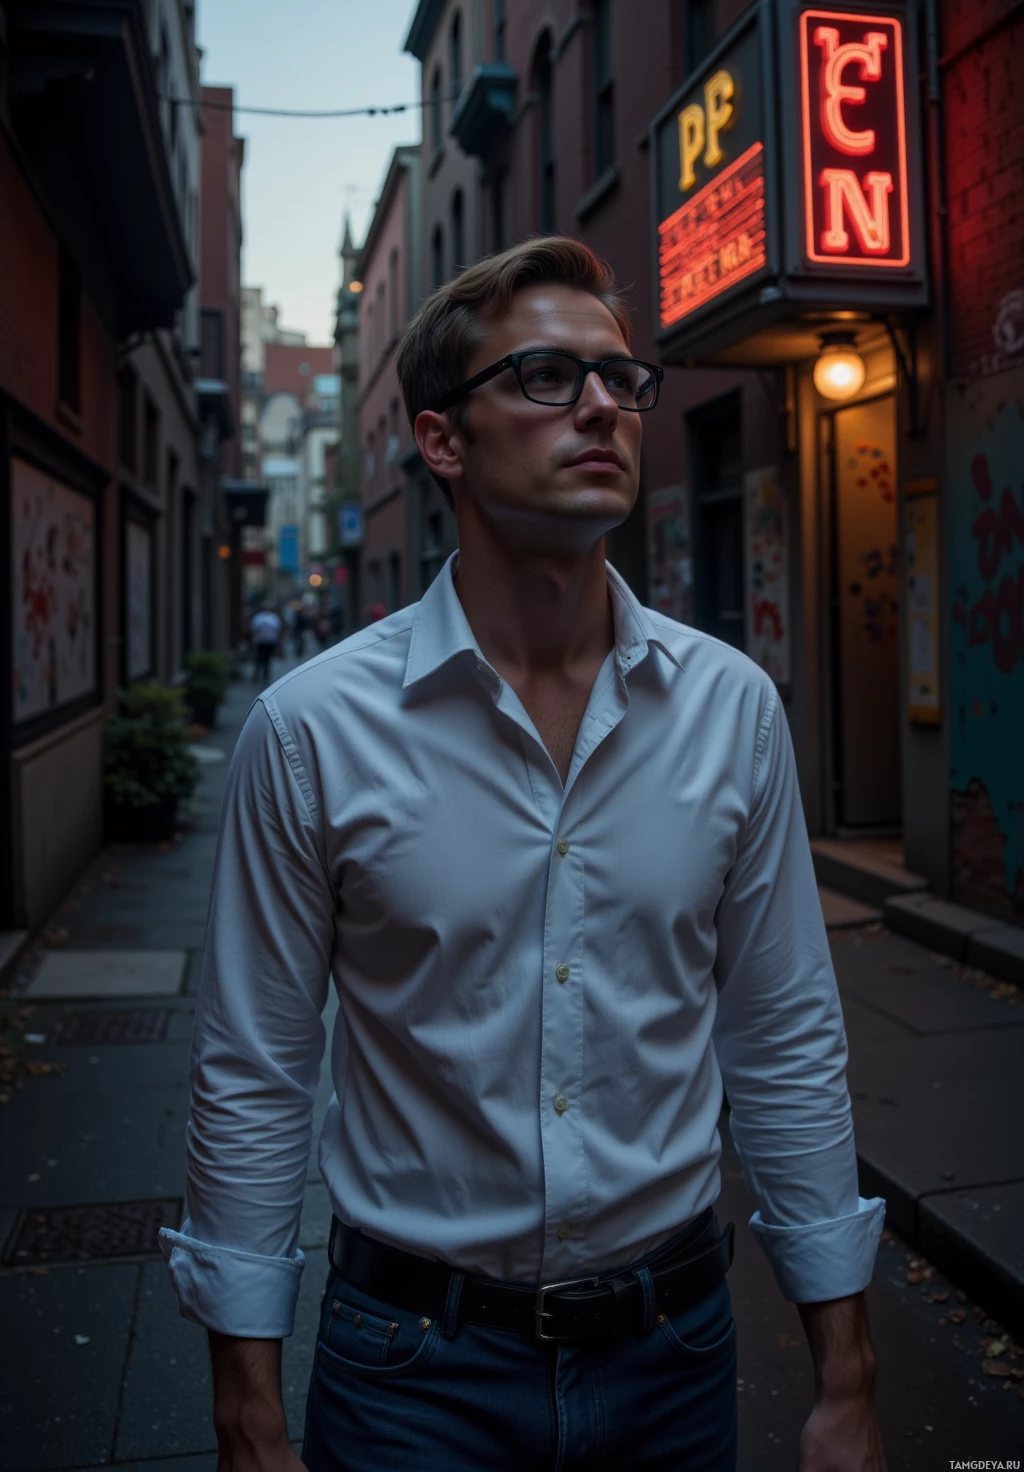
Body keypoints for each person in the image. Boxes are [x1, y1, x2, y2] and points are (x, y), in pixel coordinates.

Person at [161, 238, 887, 1472]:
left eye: (619, 379)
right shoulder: (313, 731)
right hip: (410, 1377)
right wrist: (246, 1405)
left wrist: (846, 1380)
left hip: (676, 1358)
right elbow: (257, 1066)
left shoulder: (732, 709)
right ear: (442, 441)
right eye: (548, 377)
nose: (603, 405)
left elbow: (781, 1033)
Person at [248, 602, 282, 684]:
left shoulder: (259, 617)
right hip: (270, 641)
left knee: (259, 659)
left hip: (261, 641)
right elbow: (278, 630)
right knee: (267, 659)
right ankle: (265, 676)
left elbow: (253, 629)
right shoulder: (274, 617)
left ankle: (258, 676)